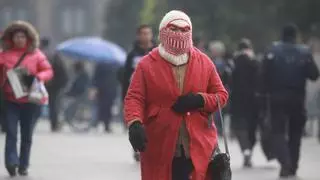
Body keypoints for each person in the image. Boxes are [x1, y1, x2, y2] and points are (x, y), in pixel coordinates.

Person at [124, 10, 228, 180]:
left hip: (197, 143)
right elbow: (134, 97)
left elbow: (221, 95)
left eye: (184, 30)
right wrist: (134, 123)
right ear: (162, 32)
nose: (179, 34)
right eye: (174, 29)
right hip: (160, 142)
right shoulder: (147, 64)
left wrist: (200, 100)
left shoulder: (204, 62)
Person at [262, 23, 319, 178]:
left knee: (278, 132)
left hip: (277, 97)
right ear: (296, 36)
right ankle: (293, 166)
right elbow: (314, 74)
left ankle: (284, 162)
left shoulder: (272, 51)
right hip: (297, 98)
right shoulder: (305, 52)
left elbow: (263, 75)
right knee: (296, 133)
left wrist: (265, 93)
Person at [0, 20, 53, 176]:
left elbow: (48, 70)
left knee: (27, 134)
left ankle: (23, 164)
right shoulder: (4, 55)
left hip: (31, 101)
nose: (19, 39)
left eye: (22, 36)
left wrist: (38, 76)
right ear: (11, 38)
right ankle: (11, 162)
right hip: (10, 100)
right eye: (16, 36)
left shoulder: (37, 55)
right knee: (11, 132)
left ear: (28, 38)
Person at [120, 24, 154, 162]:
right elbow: (125, 77)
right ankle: (138, 147)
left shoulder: (157, 52)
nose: (146, 36)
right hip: (137, 95)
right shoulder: (132, 55)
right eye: (143, 33)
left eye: (148, 33)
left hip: (153, 94)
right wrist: (125, 99)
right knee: (137, 122)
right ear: (138, 36)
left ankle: (151, 148)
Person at [230, 38, 259, 168]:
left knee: (240, 128)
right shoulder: (254, 61)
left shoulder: (233, 62)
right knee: (251, 127)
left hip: (237, 100)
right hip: (253, 100)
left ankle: (245, 150)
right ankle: (249, 151)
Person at [91, 62, 118, 133]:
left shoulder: (103, 64)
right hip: (105, 90)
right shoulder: (113, 64)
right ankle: (104, 124)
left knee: (105, 107)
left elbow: (95, 77)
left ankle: (105, 124)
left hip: (106, 90)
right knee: (104, 107)